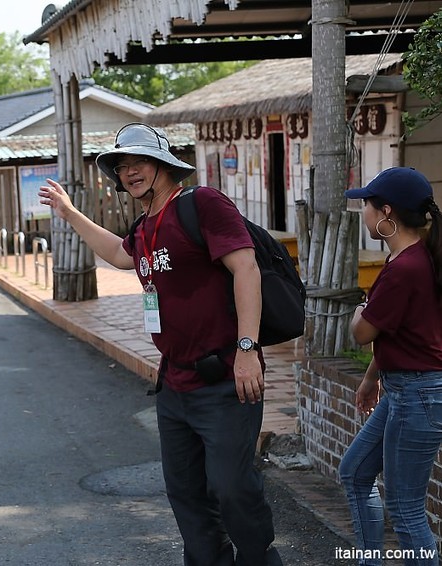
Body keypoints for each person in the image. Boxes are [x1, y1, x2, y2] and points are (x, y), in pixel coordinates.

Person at [38, 122, 282, 566]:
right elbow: (118, 254)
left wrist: (247, 349)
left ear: (164, 165)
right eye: (122, 165)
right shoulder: (146, 226)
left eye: (139, 162)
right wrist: (70, 213)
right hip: (175, 384)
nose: (129, 172)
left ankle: (259, 559)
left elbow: (246, 268)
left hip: (226, 377)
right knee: (186, 495)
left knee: (231, 487)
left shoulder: (202, 204)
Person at [339, 167, 442, 566]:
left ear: (386, 212)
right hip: (405, 388)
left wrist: (360, 308)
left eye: (365, 205)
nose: (361, 213)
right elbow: (400, 334)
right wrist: (370, 379)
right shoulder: (418, 257)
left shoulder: (405, 269)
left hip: (418, 394)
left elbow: (362, 333)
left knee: (406, 509)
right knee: (355, 472)